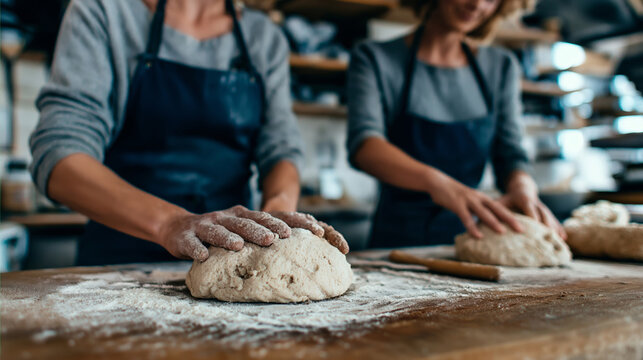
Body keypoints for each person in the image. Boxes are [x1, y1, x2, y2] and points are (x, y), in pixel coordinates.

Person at [30, 0, 348, 265]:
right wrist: (171, 223)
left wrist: (276, 212)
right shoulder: (105, 12)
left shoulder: (263, 37)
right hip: (118, 260)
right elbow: (60, 157)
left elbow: (281, 149)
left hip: (229, 255)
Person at [347, 0, 566, 248]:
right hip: (397, 239)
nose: (477, 5)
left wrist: (523, 187)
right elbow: (365, 147)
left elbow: (510, 152)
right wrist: (437, 183)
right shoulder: (375, 58)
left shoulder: (501, 67)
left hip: (474, 235)